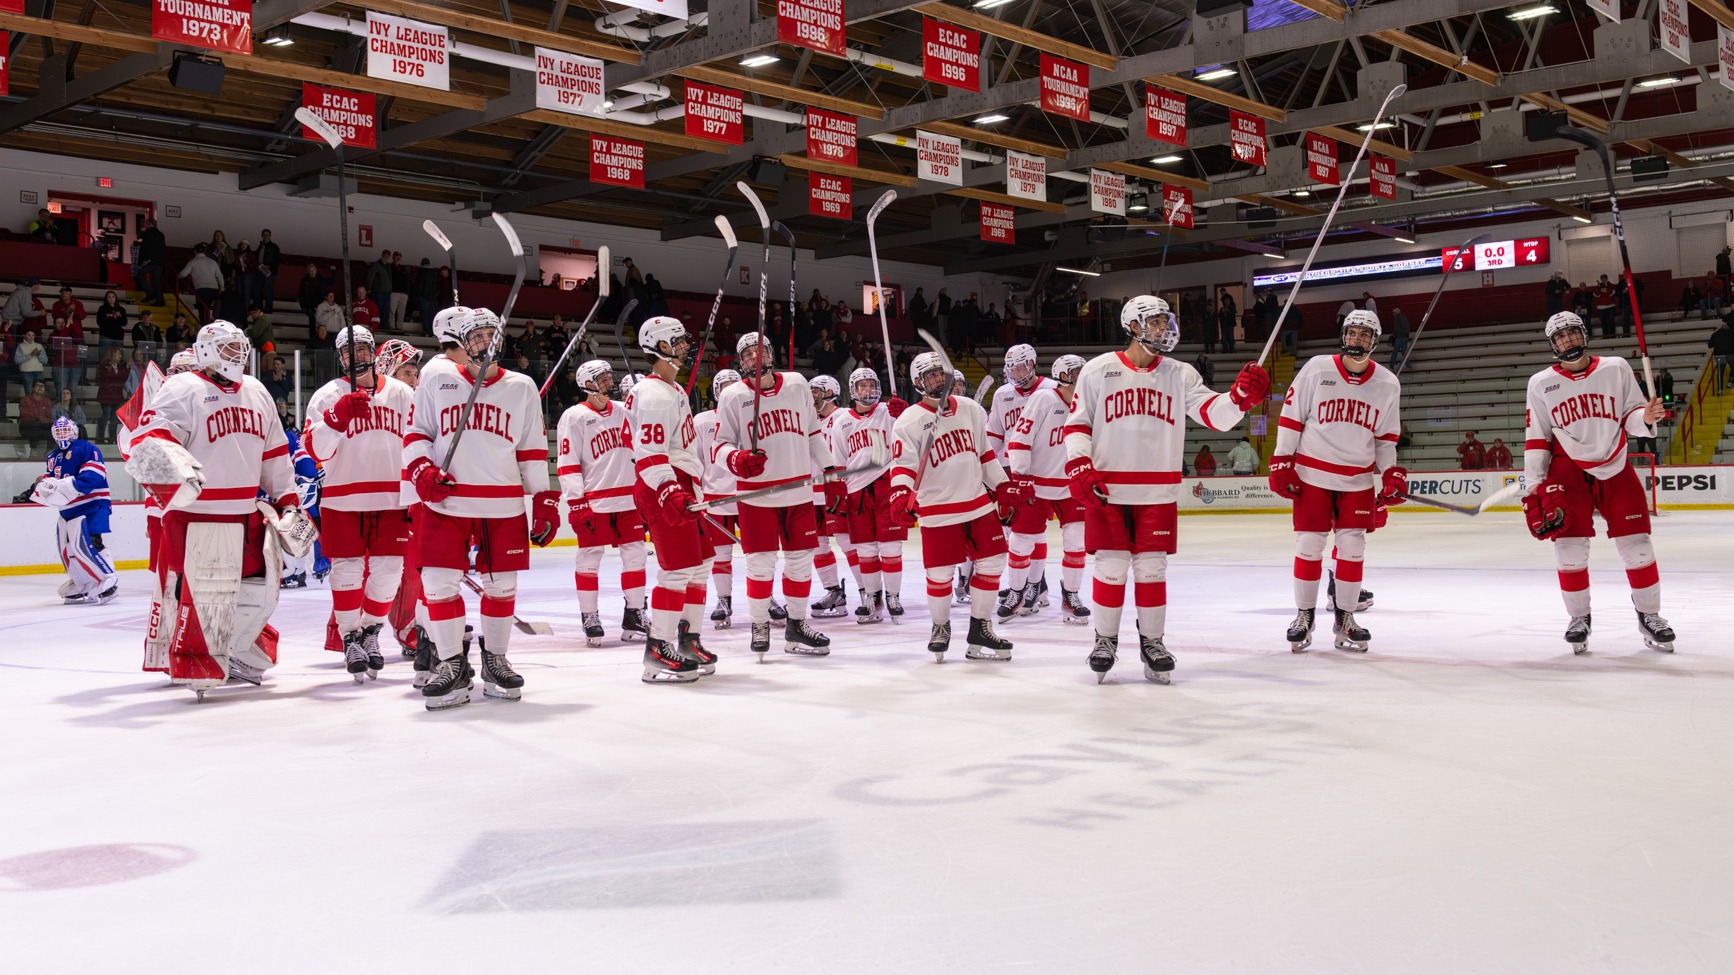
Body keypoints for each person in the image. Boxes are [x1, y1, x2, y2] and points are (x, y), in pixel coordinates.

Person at [1065, 296, 1269, 683]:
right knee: (1109, 568)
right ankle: (1105, 640)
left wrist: (1240, 398)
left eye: (1165, 320)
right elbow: (1078, 425)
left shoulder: (1180, 373)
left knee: (1152, 569)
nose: (1163, 328)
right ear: (1133, 326)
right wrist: (1078, 463)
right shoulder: (1097, 371)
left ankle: (1152, 641)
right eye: (1154, 322)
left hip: (1157, 491)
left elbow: (1216, 416)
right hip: (1107, 489)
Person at [124, 321, 310, 700]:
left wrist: (287, 498)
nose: (237, 355)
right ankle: (197, 661)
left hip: (246, 511)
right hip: (199, 514)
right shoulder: (184, 388)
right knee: (205, 597)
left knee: (261, 592)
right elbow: (147, 438)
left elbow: (274, 453)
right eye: (227, 348)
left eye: (240, 347)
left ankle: (237, 650)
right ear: (207, 351)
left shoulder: (257, 391)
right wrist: (171, 466)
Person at [403, 307, 552, 710]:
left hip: (502, 503)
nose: (486, 342)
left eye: (492, 335)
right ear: (462, 343)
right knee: (436, 583)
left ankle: (495, 659)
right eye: (477, 336)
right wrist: (421, 470)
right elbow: (417, 432)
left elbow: (533, 451)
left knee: (502, 586)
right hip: (446, 500)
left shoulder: (521, 387)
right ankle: (451, 663)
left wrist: (544, 498)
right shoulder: (437, 376)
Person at [1522, 311, 1673, 654]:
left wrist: (1645, 417)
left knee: (1638, 546)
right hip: (1566, 470)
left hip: (1615, 464)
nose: (1568, 341)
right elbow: (1537, 437)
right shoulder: (1540, 383)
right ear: (1552, 344)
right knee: (1570, 551)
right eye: (1560, 337)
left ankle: (1649, 616)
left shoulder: (1616, 367)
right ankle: (1579, 618)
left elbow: (1632, 415)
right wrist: (1534, 484)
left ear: (1584, 335)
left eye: (1573, 334)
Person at [1267, 308, 1404, 654]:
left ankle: (1345, 618)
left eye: (1365, 335)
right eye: (1352, 333)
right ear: (1343, 335)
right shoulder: (1317, 368)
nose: (1357, 339)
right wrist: (1283, 460)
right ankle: (1304, 615)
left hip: (1357, 480)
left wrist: (1391, 473)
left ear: (1375, 340)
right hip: (1313, 475)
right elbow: (1291, 417)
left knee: (1353, 549)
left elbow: (1386, 439)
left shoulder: (1388, 383)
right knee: (1309, 546)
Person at [888, 351, 1024, 662]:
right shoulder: (909, 421)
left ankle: (980, 627)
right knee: (939, 574)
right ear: (918, 382)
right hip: (937, 508)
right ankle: (940, 627)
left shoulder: (971, 409)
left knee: (992, 563)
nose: (938, 379)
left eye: (941, 373)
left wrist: (1002, 485)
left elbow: (986, 454)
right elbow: (904, 467)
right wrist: (899, 494)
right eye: (930, 375)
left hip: (977, 504)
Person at [713, 331, 837, 660]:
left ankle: (797, 625)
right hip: (757, 497)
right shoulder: (732, 396)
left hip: (798, 493)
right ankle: (759, 624)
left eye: (760, 352)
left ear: (771, 354)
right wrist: (736, 459)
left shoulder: (797, 384)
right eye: (748, 355)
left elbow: (812, 433)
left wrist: (831, 470)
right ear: (740, 363)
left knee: (800, 563)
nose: (755, 358)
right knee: (760, 565)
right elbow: (718, 446)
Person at [303, 324, 414, 681]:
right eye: (350, 352)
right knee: (347, 571)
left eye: (363, 350)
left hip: (392, 498)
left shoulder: (400, 393)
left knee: (389, 574)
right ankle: (350, 637)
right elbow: (316, 451)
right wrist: (336, 418)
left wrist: (416, 493)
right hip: (342, 498)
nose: (358, 357)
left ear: (373, 352)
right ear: (341, 357)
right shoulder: (325, 396)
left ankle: (370, 632)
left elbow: (418, 441)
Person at [626, 315, 719, 683]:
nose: (684, 346)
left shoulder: (673, 389)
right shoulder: (653, 393)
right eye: (677, 341)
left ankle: (687, 639)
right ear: (659, 347)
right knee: (677, 569)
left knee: (700, 566)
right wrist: (669, 489)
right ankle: (657, 648)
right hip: (661, 483)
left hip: (680, 481)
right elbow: (649, 453)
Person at [558, 360, 649, 647]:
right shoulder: (574, 417)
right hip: (595, 501)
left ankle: (634, 613)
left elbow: (642, 448)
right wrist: (576, 501)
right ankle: (590, 615)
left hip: (628, 499)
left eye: (610, 377)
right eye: (602, 378)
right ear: (587, 383)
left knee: (635, 554)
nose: (609, 383)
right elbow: (568, 464)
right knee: (589, 556)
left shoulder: (624, 412)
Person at [1003, 354, 1090, 624]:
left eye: (1083, 372)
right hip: (1037, 485)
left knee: (1077, 543)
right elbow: (1019, 439)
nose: (1081, 377)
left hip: (1071, 485)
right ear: (1062, 375)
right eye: (1075, 372)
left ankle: (1071, 595)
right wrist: (1021, 476)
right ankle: (1016, 592)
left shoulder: (1090, 404)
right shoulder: (1045, 399)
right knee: (1020, 542)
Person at [826, 367, 905, 624]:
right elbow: (838, 462)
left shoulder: (888, 412)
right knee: (865, 549)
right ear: (853, 390)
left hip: (886, 485)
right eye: (862, 386)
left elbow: (911, 435)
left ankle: (893, 595)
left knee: (891, 546)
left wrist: (904, 413)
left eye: (872, 385)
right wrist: (837, 491)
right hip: (856, 490)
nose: (868, 390)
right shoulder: (842, 422)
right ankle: (872, 596)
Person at [985, 343, 1056, 613]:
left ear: (1033, 363)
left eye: (1022, 365)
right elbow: (994, 434)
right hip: (1009, 471)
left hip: (1042, 470)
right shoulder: (1003, 394)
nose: (1016, 371)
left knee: (1033, 531)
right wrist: (988, 470)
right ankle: (1034, 584)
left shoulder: (1051, 389)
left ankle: (1035, 586)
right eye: (1012, 367)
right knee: (1015, 531)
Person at [32, 417, 117, 604]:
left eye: (66, 430)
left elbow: (95, 474)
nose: (62, 434)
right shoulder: (52, 456)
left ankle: (108, 579)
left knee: (92, 542)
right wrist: (44, 488)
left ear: (74, 431)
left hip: (92, 503)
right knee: (69, 547)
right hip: (68, 509)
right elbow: (52, 480)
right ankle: (82, 582)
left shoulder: (86, 448)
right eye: (58, 431)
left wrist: (70, 486)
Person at [695, 369, 744, 630]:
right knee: (721, 555)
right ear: (715, 391)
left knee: (760, 555)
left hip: (749, 496)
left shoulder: (751, 417)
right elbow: (696, 461)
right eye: (724, 386)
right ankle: (724, 601)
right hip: (715, 498)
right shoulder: (702, 421)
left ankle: (767, 598)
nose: (729, 391)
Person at [807, 375, 857, 619]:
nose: (812, 395)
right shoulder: (807, 419)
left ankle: (868, 591)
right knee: (818, 545)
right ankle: (833, 591)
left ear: (831, 392)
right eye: (811, 391)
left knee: (848, 542)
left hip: (837, 488)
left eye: (817, 391)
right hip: (812, 490)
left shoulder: (844, 416)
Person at [177, 244, 224, 322]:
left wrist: (177, 276)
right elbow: (219, 276)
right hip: (214, 289)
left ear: (195, 251)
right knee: (209, 308)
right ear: (205, 251)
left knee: (202, 311)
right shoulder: (212, 262)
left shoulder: (193, 262)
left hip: (201, 289)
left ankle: (204, 325)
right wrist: (221, 288)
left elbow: (183, 274)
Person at [96, 348, 127, 441]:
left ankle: (112, 437)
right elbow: (109, 377)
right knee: (106, 415)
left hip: (116, 395)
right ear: (112, 355)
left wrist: (127, 369)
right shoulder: (104, 365)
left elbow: (122, 378)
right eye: (118, 354)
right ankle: (100, 437)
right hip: (106, 395)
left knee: (114, 417)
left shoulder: (120, 367)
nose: (120, 356)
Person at [19, 380, 56, 452]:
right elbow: (25, 415)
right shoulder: (25, 400)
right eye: (37, 385)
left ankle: (48, 452)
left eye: (42, 386)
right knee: (35, 424)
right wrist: (38, 418)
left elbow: (49, 416)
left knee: (54, 428)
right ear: (33, 388)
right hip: (27, 426)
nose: (40, 387)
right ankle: (33, 452)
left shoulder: (47, 401)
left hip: (42, 426)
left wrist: (40, 419)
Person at [138, 218, 168, 305]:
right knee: (156, 281)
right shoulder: (161, 234)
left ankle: (151, 293)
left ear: (148, 224)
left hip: (149, 260)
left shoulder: (147, 233)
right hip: (159, 261)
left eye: (146, 224)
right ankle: (160, 300)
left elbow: (146, 248)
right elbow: (161, 249)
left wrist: (144, 261)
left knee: (140, 274)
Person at [95, 291, 127, 355]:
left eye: (113, 297)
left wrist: (118, 317)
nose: (111, 299)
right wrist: (112, 317)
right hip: (106, 336)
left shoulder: (121, 309)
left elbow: (124, 323)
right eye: (109, 297)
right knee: (104, 356)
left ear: (115, 298)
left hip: (118, 337)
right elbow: (99, 322)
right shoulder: (102, 309)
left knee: (118, 357)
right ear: (106, 299)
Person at [365, 249, 393, 322]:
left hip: (387, 291)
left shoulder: (388, 266)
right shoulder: (376, 265)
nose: (386, 258)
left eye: (388, 256)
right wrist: (369, 288)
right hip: (378, 291)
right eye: (385, 256)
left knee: (386, 309)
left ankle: (383, 325)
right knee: (378, 309)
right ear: (382, 255)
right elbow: (370, 276)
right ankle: (377, 324)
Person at [298, 262, 327, 328]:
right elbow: (301, 294)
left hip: (320, 305)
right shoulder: (304, 281)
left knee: (321, 324)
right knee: (312, 325)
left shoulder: (321, 279)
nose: (312, 272)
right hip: (310, 306)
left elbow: (332, 281)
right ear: (308, 271)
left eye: (313, 270)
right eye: (310, 270)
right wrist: (303, 306)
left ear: (316, 270)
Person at [388, 251, 411, 331]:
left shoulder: (403, 268)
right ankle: (392, 327)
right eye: (397, 256)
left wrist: (407, 293)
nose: (398, 258)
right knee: (392, 311)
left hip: (403, 293)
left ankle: (399, 328)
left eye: (399, 256)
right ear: (393, 257)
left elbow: (407, 281)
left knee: (401, 312)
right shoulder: (389, 267)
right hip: (394, 292)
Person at [1709, 319, 1734, 391]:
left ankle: (1720, 389)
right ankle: (1730, 381)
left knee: (1720, 372)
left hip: (1719, 355)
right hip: (1730, 355)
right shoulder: (1731, 334)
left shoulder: (1715, 334)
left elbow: (1710, 346)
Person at [1386, 306, 1411, 371]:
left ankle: (1391, 366)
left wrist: (1394, 335)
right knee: (1404, 352)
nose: (1393, 314)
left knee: (1395, 352)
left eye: (1393, 313)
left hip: (1399, 337)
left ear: (1395, 313)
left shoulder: (1396, 318)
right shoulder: (1404, 318)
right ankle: (1408, 366)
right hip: (1405, 337)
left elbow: (1397, 328)